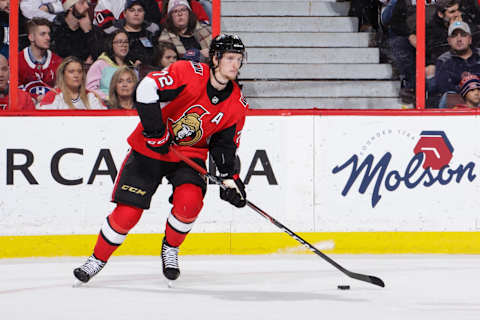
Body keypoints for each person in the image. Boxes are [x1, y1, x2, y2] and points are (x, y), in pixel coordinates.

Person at [73, 34, 249, 284]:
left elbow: (224, 146)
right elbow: (146, 87)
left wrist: (230, 179)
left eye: (239, 59)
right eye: (230, 58)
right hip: (150, 149)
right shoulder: (189, 72)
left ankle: (171, 248)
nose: (235, 64)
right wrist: (156, 131)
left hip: (189, 154)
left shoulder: (237, 104)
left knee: (189, 204)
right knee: (127, 213)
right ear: (216, 58)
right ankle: (97, 259)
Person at [434, 21, 480, 107]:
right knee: (449, 96)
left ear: (470, 39)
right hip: (458, 102)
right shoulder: (443, 60)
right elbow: (443, 87)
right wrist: (468, 92)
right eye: (454, 36)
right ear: (449, 41)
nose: (459, 39)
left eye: (463, 35)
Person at [19, 18, 63, 104]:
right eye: (43, 34)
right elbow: (15, 91)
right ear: (31, 37)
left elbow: (62, 91)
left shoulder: (58, 61)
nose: (48, 38)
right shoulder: (17, 60)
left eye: (48, 34)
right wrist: (35, 98)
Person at [103, 0, 160, 67]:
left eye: (140, 10)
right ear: (124, 14)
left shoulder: (151, 33)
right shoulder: (114, 34)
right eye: (132, 10)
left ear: (144, 13)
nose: (136, 13)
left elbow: (156, 56)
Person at [37, 55, 106, 109]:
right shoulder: (53, 96)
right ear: (63, 74)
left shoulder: (91, 96)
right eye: (71, 72)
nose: (76, 75)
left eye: (79, 71)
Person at [51, 0, 104, 67]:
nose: (87, 6)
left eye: (87, 3)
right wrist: (82, 63)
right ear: (70, 7)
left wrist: (88, 32)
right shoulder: (55, 30)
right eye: (82, 3)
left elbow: (100, 57)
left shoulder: (94, 30)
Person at [86, 29, 134, 102]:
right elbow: (90, 89)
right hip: (105, 106)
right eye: (119, 42)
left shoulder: (131, 66)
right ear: (111, 45)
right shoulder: (100, 64)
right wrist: (108, 98)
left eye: (126, 42)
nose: (124, 45)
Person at [93, 0, 161, 30]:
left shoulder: (149, 2)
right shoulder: (105, 2)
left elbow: (154, 25)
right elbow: (106, 29)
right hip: (116, 44)